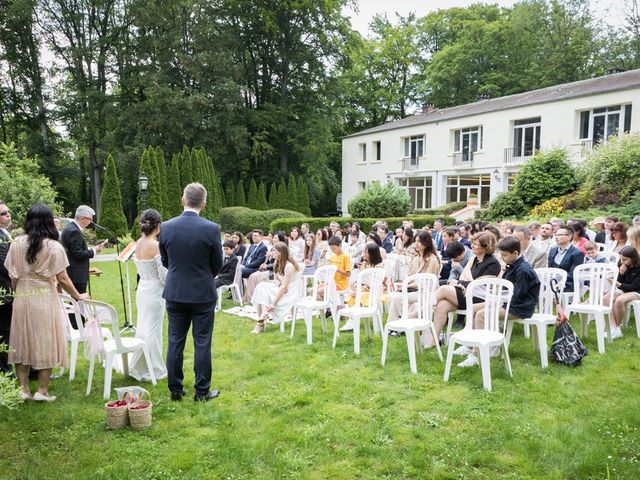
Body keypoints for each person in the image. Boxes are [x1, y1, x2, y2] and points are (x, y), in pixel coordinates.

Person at [5, 204, 88, 401]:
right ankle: (42, 391)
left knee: (21, 341)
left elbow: (13, 276)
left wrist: (18, 292)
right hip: (44, 296)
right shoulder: (53, 246)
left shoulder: (16, 243)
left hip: (23, 297)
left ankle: (23, 389)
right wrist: (78, 296)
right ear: (49, 222)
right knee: (46, 340)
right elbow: (64, 278)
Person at [159, 183, 223, 402]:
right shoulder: (211, 228)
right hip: (202, 292)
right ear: (203, 204)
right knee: (202, 341)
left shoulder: (166, 227)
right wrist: (205, 274)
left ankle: (175, 389)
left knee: (175, 340)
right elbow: (218, 263)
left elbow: (166, 260)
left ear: (182, 200)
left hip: (176, 290)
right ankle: (202, 391)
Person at [457, 236, 541, 368]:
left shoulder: (523, 270)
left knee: (482, 314)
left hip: (519, 307)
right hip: (507, 302)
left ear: (515, 253)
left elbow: (518, 296)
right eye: (501, 255)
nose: (502, 258)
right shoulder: (513, 264)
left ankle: (478, 354)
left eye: (505, 255)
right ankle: (471, 345)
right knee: (473, 308)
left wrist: (495, 300)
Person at [431, 232, 502, 343]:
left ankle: (421, 311)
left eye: (475, 244)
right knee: (442, 305)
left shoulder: (493, 264)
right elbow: (466, 278)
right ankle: (433, 340)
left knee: (444, 289)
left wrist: (459, 282)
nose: (472, 246)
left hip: (480, 298)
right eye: (472, 243)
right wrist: (458, 282)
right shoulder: (475, 260)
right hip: (468, 294)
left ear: (485, 246)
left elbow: (481, 286)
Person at [129, 209, 168, 382]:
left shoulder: (139, 242)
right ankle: (155, 369)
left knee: (143, 328)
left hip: (143, 288)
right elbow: (163, 276)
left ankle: (141, 366)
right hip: (154, 291)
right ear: (157, 226)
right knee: (153, 331)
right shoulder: (155, 246)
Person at [386, 231, 441, 340]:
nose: (417, 244)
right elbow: (410, 276)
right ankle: (395, 326)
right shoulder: (416, 259)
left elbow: (429, 281)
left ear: (426, 243)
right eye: (416, 241)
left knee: (398, 299)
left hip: (428, 292)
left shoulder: (432, 259)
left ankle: (394, 327)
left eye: (420, 241)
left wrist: (407, 285)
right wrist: (403, 284)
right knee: (395, 297)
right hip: (416, 290)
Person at [60, 205, 105, 326]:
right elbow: (78, 254)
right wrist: (94, 251)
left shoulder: (71, 228)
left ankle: (76, 325)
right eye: (90, 219)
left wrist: (92, 249)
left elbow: (76, 249)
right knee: (78, 300)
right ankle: (76, 326)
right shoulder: (74, 231)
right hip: (76, 273)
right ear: (83, 218)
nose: (91, 222)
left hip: (74, 271)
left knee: (75, 300)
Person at [251, 242, 301, 333]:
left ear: (280, 253)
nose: (272, 252)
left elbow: (284, 288)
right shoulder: (276, 263)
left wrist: (273, 304)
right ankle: (263, 314)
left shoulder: (289, 266)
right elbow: (276, 279)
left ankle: (261, 322)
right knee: (261, 286)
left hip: (290, 291)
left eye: (274, 250)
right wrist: (278, 284)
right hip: (281, 287)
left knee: (263, 290)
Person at [606, 246, 640, 340]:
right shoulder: (621, 264)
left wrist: (619, 285)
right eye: (621, 258)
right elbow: (620, 283)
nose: (622, 261)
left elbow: (634, 286)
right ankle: (614, 327)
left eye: (625, 259)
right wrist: (621, 274)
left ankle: (617, 328)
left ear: (633, 259)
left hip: (637, 290)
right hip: (625, 289)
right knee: (606, 299)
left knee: (619, 301)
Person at [548, 227, 585, 292]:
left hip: (567, 283)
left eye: (559, 235)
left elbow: (573, 274)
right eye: (556, 235)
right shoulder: (553, 250)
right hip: (552, 280)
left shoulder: (577, 253)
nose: (556, 237)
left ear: (569, 237)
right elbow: (550, 268)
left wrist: (557, 279)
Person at [0, 201, 13, 374]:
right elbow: (5, 265)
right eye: (3, 213)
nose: (8, 215)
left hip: (8, 288)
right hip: (3, 291)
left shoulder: (5, 233)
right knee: (4, 331)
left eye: (7, 212)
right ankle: (5, 370)